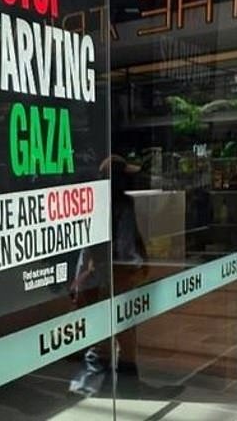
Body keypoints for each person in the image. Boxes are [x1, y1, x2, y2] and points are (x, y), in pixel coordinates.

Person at [69, 155, 151, 397]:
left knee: (103, 334)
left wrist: (78, 279)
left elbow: (86, 246)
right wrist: (137, 266)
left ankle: (94, 385)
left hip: (99, 276)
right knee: (124, 335)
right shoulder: (123, 204)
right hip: (119, 275)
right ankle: (125, 386)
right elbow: (126, 248)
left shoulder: (96, 204)